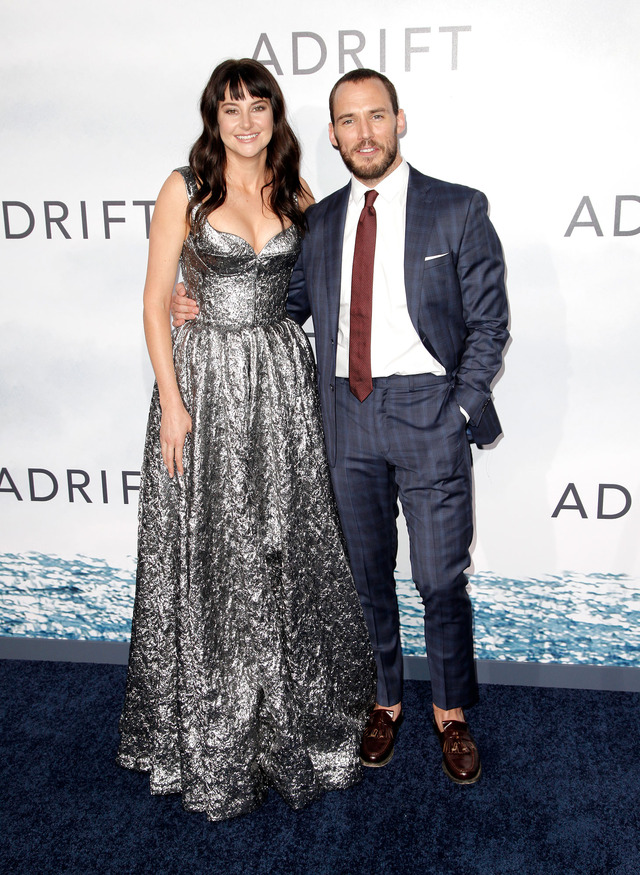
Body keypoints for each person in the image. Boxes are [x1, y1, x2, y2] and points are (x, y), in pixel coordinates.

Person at [173, 69, 509, 785]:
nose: (364, 133)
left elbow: (489, 324)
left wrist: (458, 408)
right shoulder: (318, 221)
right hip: (343, 415)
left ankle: (450, 710)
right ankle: (384, 699)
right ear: (332, 135)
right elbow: (283, 303)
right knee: (365, 575)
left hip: (428, 410)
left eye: (376, 116)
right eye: (348, 121)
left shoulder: (457, 207)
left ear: (399, 120)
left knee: (439, 578)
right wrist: (204, 301)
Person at [117, 59, 376, 823]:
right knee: (212, 551)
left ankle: (280, 712)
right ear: (214, 117)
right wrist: (172, 401)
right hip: (204, 385)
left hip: (282, 384)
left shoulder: (297, 194)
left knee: (279, 547)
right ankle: (210, 723)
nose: (245, 121)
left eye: (257, 106)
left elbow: (322, 291)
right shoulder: (185, 189)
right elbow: (154, 301)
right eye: (230, 107)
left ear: (275, 116)